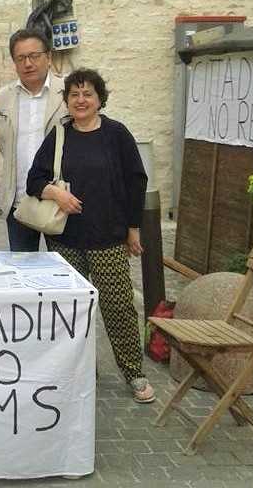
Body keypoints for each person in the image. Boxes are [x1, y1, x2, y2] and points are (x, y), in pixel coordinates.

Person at [26, 68, 154, 404]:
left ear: (99, 99)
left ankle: (133, 372)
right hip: (66, 240)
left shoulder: (116, 134)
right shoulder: (59, 135)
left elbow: (136, 182)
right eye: (74, 94)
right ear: (66, 100)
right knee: (71, 309)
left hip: (108, 238)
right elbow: (34, 180)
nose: (80, 100)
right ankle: (79, 368)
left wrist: (133, 228)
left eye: (87, 94)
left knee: (118, 306)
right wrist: (56, 193)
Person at [0, 28, 66, 251]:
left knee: (65, 271)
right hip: (19, 201)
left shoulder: (68, 93)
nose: (28, 63)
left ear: (49, 57)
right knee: (23, 273)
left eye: (34, 56)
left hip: (61, 198)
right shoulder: (1, 99)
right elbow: (2, 142)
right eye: (21, 58)